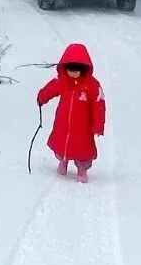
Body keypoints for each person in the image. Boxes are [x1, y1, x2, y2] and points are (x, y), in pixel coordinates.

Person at [35, 42, 105, 182]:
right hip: (63, 122)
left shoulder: (92, 85)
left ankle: (82, 169)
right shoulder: (62, 80)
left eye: (76, 69)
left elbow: (99, 105)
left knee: (82, 149)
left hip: (83, 127)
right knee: (62, 144)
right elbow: (50, 89)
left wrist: (98, 125)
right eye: (69, 69)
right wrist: (41, 97)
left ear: (84, 68)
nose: (72, 73)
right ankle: (63, 161)